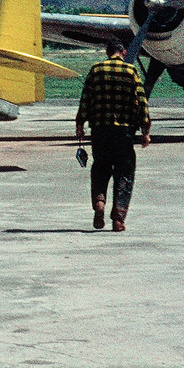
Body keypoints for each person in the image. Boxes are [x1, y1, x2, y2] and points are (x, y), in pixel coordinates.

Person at [75, 41, 151, 231]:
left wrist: (79, 124)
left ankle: (99, 202)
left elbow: (86, 99)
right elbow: (141, 102)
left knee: (100, 168)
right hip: (124, 132)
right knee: (124, 173)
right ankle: (118, 219)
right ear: (123, 52)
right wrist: (145, 130)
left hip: (100, 130)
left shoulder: (96, 70)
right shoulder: (130, 70)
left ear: (107, 52)